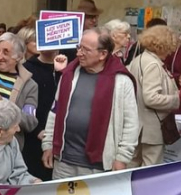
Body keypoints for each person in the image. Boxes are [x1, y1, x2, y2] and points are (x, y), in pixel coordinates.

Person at [42, 28, 139, 178]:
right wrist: (48, 144)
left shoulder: (121, 81)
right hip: (64, 162)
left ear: (103, 54)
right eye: (78, 47)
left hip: (99, 167)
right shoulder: (68, 75)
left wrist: (122, 158)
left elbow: (131, 124)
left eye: (85, 50)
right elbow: (55, 111)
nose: (79, 53)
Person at [127, 25, 180, 167]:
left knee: (132, 168)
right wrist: (177, 99)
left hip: (138, 126)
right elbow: (151, 98)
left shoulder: (138, 59)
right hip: (151, 129)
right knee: (150, 172)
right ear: (164, 45)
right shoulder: (153, 64)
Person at [22, 47, 61, 181]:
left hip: (60, 139)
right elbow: (22, 103)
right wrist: (36, 130)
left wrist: (62, 72)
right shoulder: (26, 69)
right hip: (33, 138)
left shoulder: (69, 69)